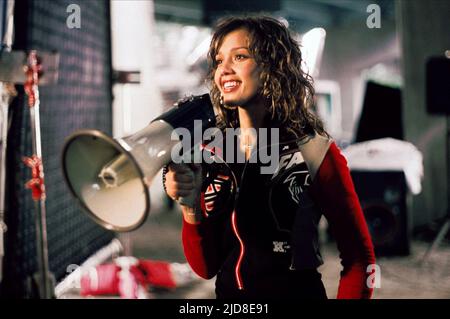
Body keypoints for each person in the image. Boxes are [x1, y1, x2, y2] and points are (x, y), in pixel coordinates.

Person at [163, 16, 375, 299]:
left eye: (239, 56)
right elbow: (206, 267)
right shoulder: (212, 152)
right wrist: (190, 209)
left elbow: (360, 259)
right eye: (218, 60)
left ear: (274, 67)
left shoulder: (316, 152)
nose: (223, 69)